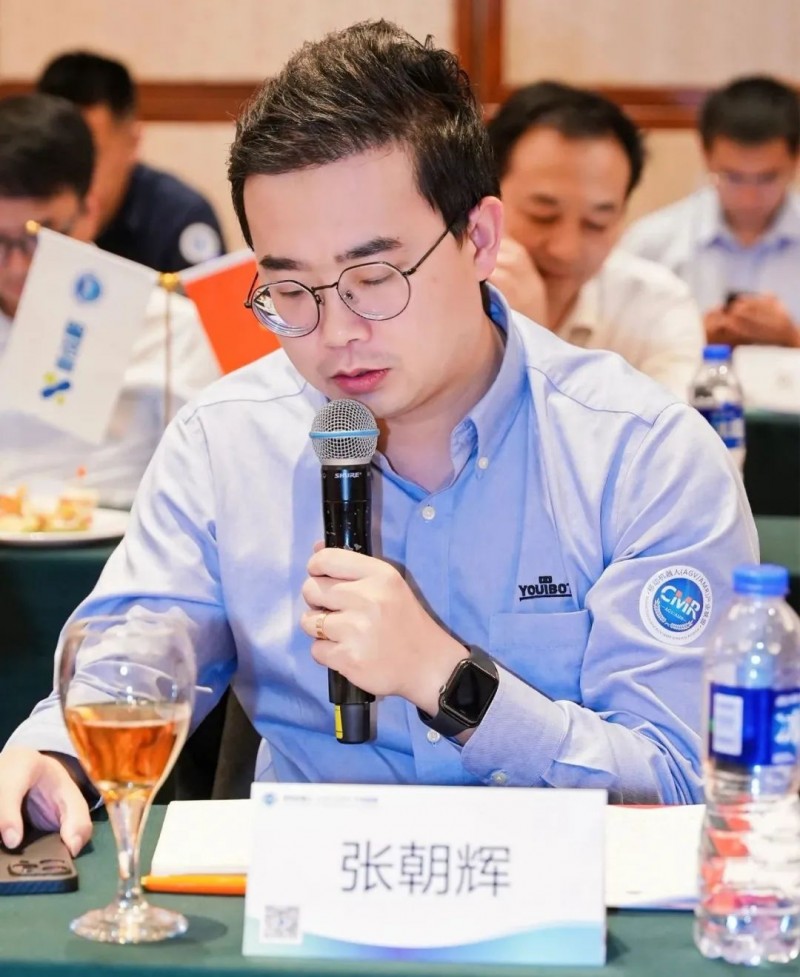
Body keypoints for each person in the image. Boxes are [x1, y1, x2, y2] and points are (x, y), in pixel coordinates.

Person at [0, 21, 756, 857]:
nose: (335, 334)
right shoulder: (225, 441)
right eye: (291, 290)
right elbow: (140, 642)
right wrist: (54, 751)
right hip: (305, 897)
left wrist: (449, 680)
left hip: (569, 905)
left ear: (480, 239)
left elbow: (684, 783)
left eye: (373, 278)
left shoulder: (642, 453)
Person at [0, 93, 219, 506]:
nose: (16, 266)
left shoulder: (169, 325)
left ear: (89, 212)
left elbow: (211, 482)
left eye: (38, 239)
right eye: (0, 241)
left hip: (120, 533)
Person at [487, 81, 704, 399]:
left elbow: (673, 429)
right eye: (542, 216)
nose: (566, 250)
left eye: (596, 223)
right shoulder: (432, 295)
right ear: (484, 200)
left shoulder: (655, 307)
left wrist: (531, 342)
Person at [623, 76, 800, 349]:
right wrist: (690, 339)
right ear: (706, 156)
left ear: (795, 160)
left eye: (767, 178)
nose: (749, 197)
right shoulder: (652, 242)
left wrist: (792, 338)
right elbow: (612, 349)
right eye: (732, 177)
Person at [37, 51, 226, 273]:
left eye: (89, 154)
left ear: (133, 142)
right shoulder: (20, 214)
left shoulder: (180, 217)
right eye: (58, 154)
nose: (72, 171)